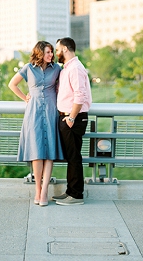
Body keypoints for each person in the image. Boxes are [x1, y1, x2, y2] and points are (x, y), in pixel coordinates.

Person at [9, 40, 63, 207]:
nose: (51, 55)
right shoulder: (28, 68)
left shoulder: (57, 69)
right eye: (47, 52)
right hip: (33, 113)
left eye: (51, 52)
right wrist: (25, 97)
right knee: (37, 152)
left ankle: (45, 191)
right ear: (39, 53)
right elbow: (12, 84)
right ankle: (38, 190)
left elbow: (62, 88)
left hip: (51, 112)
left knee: (50, 152)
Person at [51, 37, 92, 206]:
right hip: (68, 117)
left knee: (74, 157)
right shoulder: (67, 68)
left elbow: (80, 95)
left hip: (73, 118)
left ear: (66, 49)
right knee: (71, 156)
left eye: (58, 50)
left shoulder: (75, 68)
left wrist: (71, 118)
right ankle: (70, 191)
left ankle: (76, 195)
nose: (56, 53)